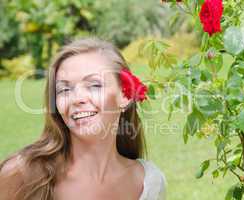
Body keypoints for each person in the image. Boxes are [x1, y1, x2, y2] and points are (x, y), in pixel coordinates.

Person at [0, 37, 166, 200]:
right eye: (64, 89)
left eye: (94, 85)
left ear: (125, 94)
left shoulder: (149, 182)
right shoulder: (22, 174)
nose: (77, 98)